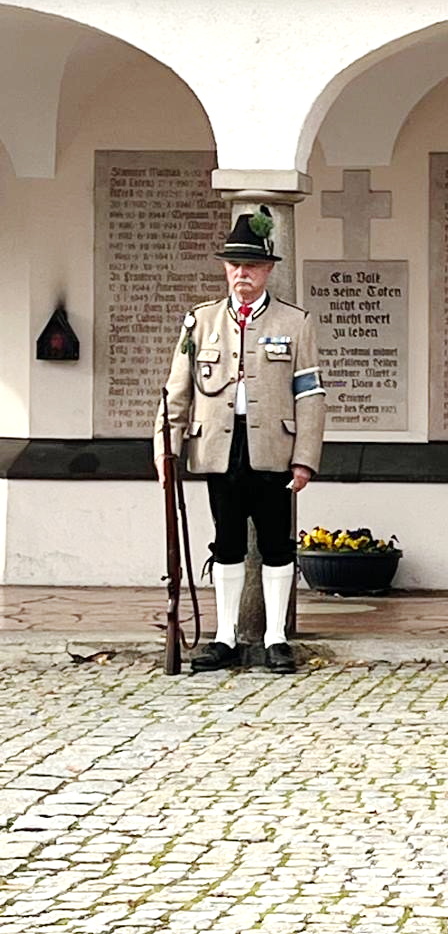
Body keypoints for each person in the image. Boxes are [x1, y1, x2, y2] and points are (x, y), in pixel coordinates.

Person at [154, 208, 326, 675]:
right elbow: (177, 392)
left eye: (251, 265)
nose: (242, 274)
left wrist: (305, 459)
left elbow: (310, 396)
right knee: (227, 542)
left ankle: (275, 638)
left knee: (276, 544)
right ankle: (225, 636)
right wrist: (166, 452)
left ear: (268, 270)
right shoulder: (200, 321)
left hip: (273, 449)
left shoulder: (295, 323)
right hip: (218, 448)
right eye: (234, 265)